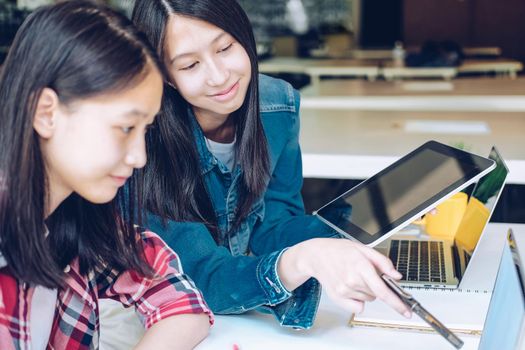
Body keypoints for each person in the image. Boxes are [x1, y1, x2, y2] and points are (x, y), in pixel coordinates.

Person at [125, 0, 410, 331]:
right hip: (159, 323)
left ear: (244, 36)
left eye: (225, 48)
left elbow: (273, 226)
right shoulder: (143, 142)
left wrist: (356, 227)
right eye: (190, 66)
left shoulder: (279, 105)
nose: (219, 77)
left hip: (238, 319)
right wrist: (304, 259)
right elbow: (199, 278)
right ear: (167, 78)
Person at [0, 1, 213, 349]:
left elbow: (176, 296)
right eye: (126, 127)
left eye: (146, 129)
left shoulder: (74, 218)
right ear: (46, 113)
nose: (140, 157)